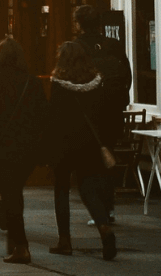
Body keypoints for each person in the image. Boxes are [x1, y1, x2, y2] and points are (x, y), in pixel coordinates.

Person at [0, 37, 48, 264]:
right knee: (13, 191)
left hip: (3, 146)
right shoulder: (33, 82)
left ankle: (20, 245)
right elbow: (41, 116)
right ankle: (14, 236)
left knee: (10, 195)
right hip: (26, 147)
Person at [47, 41, 118, 260]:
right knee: (88, 190)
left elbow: (54, 117)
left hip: (64, 144)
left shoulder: (58, 84)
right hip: (88, 145)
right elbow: (105, 115)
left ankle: (65, 240)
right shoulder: (97, 83)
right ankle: (104, 228)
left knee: (61, 191)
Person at [73, 5, 132, 227]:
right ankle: (108, 207)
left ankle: (99, 209)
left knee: (89, 163)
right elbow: (127, 75)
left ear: (79, 24)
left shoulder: (76, 48)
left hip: (87, 113)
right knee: (107, 156)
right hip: (112, 112)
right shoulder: (113, 45)